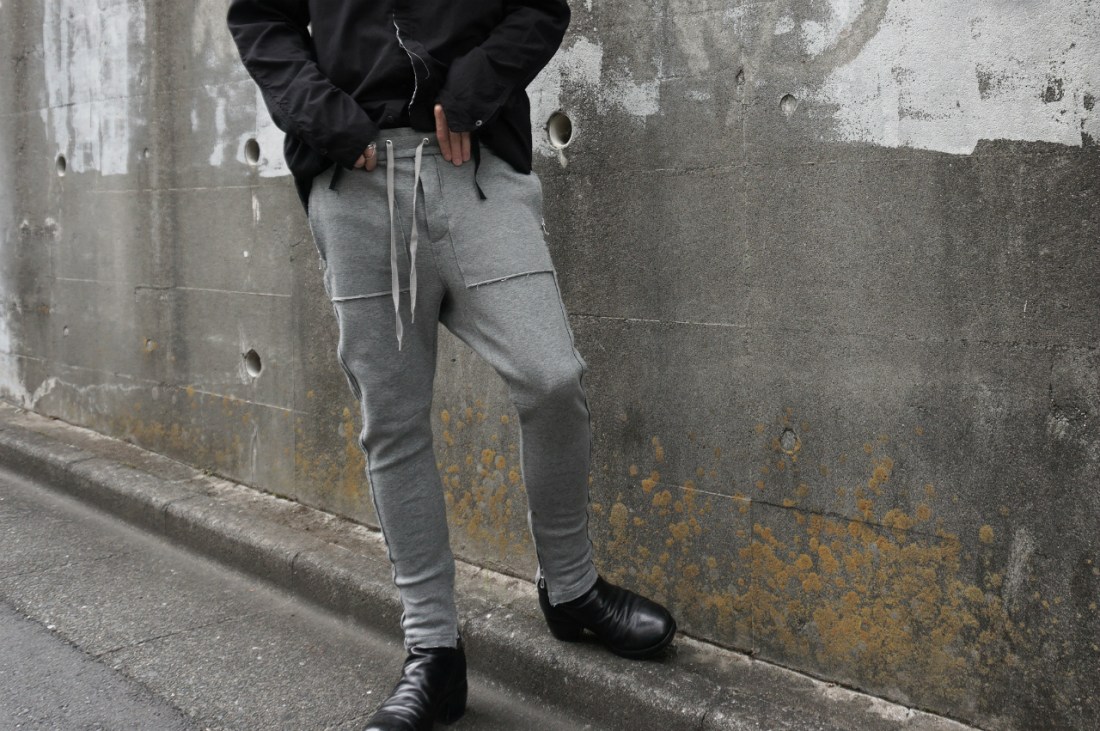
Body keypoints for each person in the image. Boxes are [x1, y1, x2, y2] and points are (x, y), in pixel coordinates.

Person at [226, 1, 676, 728]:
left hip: (475, 166)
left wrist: (473, 88)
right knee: (393, 421)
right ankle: (433, 651)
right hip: (356, 180)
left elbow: (540, 8)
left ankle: (570, 590)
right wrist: (329, 120)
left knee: (552, 377)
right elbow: (260, 19)